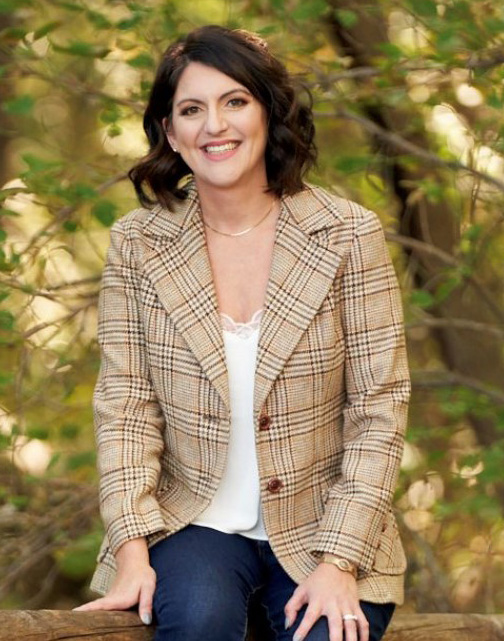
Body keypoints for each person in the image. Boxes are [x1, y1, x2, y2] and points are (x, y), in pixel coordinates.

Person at [75, 25, 410, 641]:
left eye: (235, 102)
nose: (215, 126)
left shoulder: (347, 236)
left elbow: (379, 410)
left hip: (327, 528)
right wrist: (129, 543)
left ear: (268, 113)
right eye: (192, 110)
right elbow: (125, 406)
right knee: (199, 622)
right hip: (192, 522)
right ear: (171, 134)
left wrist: (339, 562)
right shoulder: (138, 244)